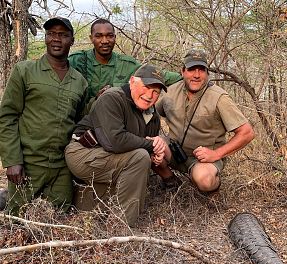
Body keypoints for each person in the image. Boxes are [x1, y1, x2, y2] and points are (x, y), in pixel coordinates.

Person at [0, 17, 88, 216]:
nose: (57, 39)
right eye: (52, 34)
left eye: (63, 35)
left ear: (72, 40)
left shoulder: (80, 82)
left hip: (61, 167)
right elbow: (7, 116)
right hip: (28, 165)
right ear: (46, 38)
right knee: (17, 219)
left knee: (59, 218)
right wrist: (12, 161)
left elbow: (79, 123)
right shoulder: (25, 71)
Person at [65, 64, 168, 227]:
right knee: (140, 157)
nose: (150, 95)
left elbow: (146, 144)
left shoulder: (152, 114)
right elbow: (114, 141)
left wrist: (156, 152)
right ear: (132, 81)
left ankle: (86, 205)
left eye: (156, 92)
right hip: (82, 152)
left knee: (141, 164)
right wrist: (150, 146)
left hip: (109, 159)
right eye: (147, 87)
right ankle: (122, 227)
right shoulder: (112, 97)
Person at [155, 49, 255, 192]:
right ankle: (170, 180)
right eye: (191, 70)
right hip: (174, 151)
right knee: (148, 146)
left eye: (201, 70)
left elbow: (247, 133)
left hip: (203, 160)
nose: (196, 75)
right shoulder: (170, 91)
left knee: (204, 180)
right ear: (182, 71)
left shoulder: (219, 97)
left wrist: (216, 154)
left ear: (207, 73)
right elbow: (152, 115)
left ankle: (212, 189)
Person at [68, 18, 181, 106]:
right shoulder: (77, 60)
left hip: (113, 123)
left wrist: (188, 75)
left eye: (109, 36)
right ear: (91, 38)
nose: (105, 41)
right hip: (81, 122)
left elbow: (158, 75)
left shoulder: (127, 64)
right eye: (99, 36)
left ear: (115, 38)